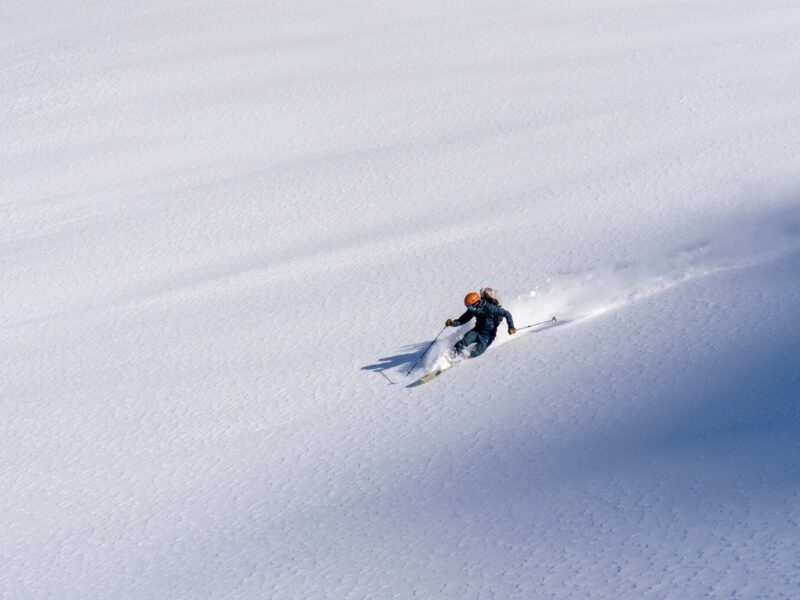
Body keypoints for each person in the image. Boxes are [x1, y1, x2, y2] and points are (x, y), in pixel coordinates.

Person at [446, 291, 516, 358]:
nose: (469, 309)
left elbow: (507, 314)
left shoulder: (490, 308)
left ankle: (463, 358)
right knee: (464, 342)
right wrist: (452, 323)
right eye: (468, 307)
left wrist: (511, 327)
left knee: (476, 352)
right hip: (477, 331)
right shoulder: (473, 310)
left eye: (470, 307)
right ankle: (451, 356)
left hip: (488, 336)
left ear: (477, 303)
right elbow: (462, 320)